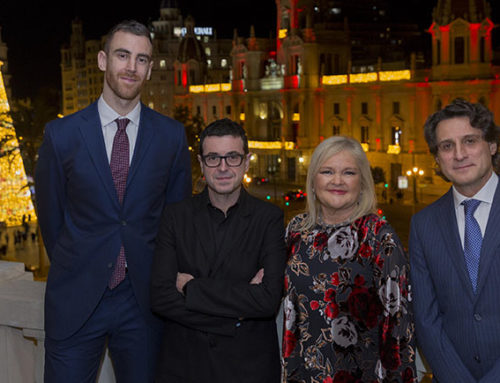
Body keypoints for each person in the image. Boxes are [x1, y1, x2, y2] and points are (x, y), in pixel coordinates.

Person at [35, 20, 191, 382]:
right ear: (103, 60)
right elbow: (51, 219)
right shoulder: (61, 135)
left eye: (141, 59)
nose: (131, 67)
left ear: (150, 69)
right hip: (75, 301)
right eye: (123, 55)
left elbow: (175, 220)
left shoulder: (170, 136)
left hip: (144, 306)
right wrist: (80, 268)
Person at [151, 118, 286, 382]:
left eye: (232, 157)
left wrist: (192, 288)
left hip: (248, 368)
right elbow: (160, 297)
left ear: (247, 162)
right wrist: (234, 319)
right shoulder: (175, 217)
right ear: (201, 164)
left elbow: (268, 300)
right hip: (186, 366)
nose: (223, 167)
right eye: (213, 158)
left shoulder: (269, 218)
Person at [282, 136, 416, 382]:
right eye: (327, 171)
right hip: (300, 375)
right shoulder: (297, 230)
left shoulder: (380, 238)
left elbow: (399, 330)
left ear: (363, 183)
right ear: (313, 180)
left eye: (349, 173)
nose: (337, 181)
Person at [410, 99, 500, 382]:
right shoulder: (423, 224)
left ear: (493, 145)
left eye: (470, 141)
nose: (459, 154)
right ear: (437, 158)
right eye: (447, 146)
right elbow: (426, 317)